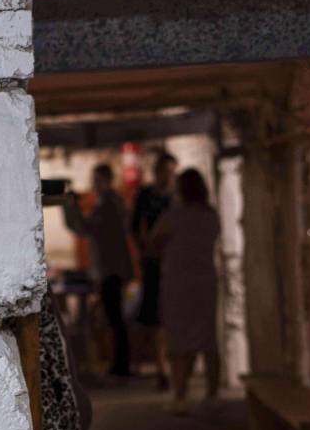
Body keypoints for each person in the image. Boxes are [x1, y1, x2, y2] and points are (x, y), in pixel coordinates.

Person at [150, 169, 222, 415]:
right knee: (208, 338)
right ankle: (213, 394)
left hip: (178, 282)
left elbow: (154, 243)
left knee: (179, 339)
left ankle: (180, 396)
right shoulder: (210, 216)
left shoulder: (173, 216)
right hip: (205, 280)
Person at [63, 164, 134, 378]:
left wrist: (69, 205)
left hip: (110, 270)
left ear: (106, 180)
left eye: (96, 180)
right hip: (112, 269)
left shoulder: (108, 205)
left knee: (114, 319)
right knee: (114, 319)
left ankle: (121, 366)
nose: (93, 184)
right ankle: (120, 364)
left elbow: (83, 228)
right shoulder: (111, 203)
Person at [131, 150, 178, 388]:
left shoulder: (178, 196)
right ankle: (162, 369)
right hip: (153, 263)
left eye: (172, 172)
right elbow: (134, 225)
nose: (168, 176)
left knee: (175, 317)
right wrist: (144, 249)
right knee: (154, 319)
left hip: (176, 264)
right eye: (165, 172)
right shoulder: (146, 195)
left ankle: (173, 367)